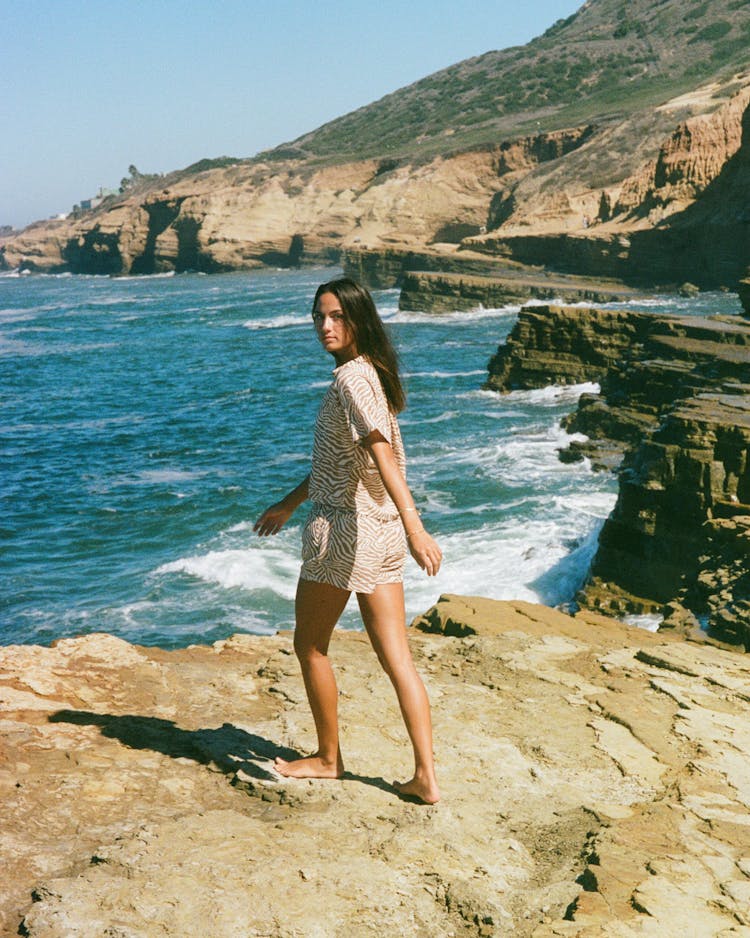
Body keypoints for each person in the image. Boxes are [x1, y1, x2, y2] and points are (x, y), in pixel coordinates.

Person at [254, 277, 442, 804]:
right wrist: (290, 502)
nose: (325, 327)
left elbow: (381, 454)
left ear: (358, 320)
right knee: (397, 657)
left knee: (309, 645)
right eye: (318, 317)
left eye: (336, 316)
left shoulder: (350, 382)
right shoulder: (371, 375)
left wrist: (417, 527)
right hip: (376, 531)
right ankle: (426, 776)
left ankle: (328, 759)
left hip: (343, 534)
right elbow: (343, 462)